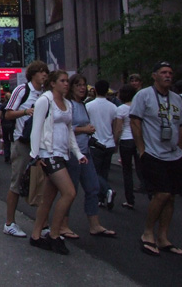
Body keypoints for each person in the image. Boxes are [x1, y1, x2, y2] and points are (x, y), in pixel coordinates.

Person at [130, 61, 182, 257]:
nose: (168, 75)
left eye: (170, 72)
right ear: (154, 75)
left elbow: (181, 126)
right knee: (161, 193)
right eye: (163, 72)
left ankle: (163, 237)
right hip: (153, 153)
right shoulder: (144, 95)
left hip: (174, 155)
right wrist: (141, 149)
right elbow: (135, 121)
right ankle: (148, 233)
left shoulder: (177, 99)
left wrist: (180, 149)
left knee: (171, 196)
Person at [28, 70, 86, 255]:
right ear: (52, 83)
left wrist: (77, 153)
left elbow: (69, 132)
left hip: (63, 153)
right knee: (69, 192)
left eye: (67, 81)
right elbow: (36, 128)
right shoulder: (45, 101)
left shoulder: (68, 104)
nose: (66, 84)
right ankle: (54, 234)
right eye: (62, 81)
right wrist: (35, 155)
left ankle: (36, 235)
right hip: (48, 153)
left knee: (49, 198)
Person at [61, 74, 117, 239]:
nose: (82, 88)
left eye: (84, 85)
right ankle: (63, 225)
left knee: (93, 187)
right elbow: (64, 127)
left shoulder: (82, 105)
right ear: (71, 87)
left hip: (85, 151)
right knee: (71, 191)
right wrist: (84, 130)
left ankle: (95, 224)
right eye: (78, 85)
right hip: (72, 152)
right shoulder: (69, 104)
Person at [2, 60, 49, 238]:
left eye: (45, 72)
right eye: (40, 72)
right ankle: (9, 222)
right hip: (22, 143)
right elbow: (7, 113)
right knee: (17, 182)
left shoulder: (45, 94)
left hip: (41, 145)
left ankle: (43, 225)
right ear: (33, 74)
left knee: (42, 184)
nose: (44, 75)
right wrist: (26, 112)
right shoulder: (22, 90)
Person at [86, 80, 118, 210]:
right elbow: (115, 126)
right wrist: (116, 142)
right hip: (109, 143)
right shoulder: (113, 107)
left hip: (95, 143)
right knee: (104, 172)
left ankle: (106, 191)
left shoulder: (89, 106)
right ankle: (102, 197)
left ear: (95, 90)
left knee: (94, 172)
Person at [115, 84, 142, 208]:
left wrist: (115, 141)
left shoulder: (121, 109)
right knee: (141, 168)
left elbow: (118, 128)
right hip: (138, 139)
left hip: (125, 140)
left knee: (127, 171)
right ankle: (151, 193)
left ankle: (130, 199)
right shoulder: (139, 107)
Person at [0, 91, 14, 162]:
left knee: (6, 140)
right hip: (12, 123)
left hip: (4, 124)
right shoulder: (13, 104)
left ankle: (6, 155)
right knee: (12, 140)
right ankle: (11, 155)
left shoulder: (3, 105)